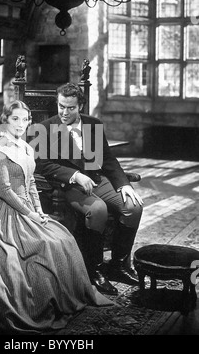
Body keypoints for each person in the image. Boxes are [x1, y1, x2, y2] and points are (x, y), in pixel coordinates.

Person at [0, 100, 113, 335]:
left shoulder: (25, 146)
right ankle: (34, 306)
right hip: (5, 211)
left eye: (25, 119)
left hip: (29, 207)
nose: (20, 124)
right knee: (26, 252)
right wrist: (30, 213)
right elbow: (5, 191)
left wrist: (40, 211)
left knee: (62, 239)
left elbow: (31, 182)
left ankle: (65, 298)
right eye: (15, 119)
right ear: (5, 120)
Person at [35, 83, 143, 296]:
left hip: (97, 179)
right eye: (61, 106)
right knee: (99, 210)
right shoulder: (45, 128)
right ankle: (95, 270)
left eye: (71, 108)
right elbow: (43, 164)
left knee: (134, 206)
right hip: (69, 186)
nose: (65, 112)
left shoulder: (94, 124)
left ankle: (118, 266)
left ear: (81, 106)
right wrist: (75, 175)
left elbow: (109, 160)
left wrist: (123, 184)